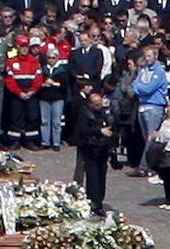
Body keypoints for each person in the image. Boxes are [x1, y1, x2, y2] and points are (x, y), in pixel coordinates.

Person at [75, 87, 113, 215]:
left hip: (102, 149)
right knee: (93, 178)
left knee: (101, 177)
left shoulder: (104, 113)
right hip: (89, 149)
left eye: (100, 104)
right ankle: (94, 203)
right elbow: (83, 130)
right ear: (90, 104)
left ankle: (99, 201)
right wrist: (99, 131)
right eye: (96, 105)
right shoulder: (84, 114)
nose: (99, 107)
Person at [131, 44, 168, 176]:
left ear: (155, 56)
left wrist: (140, 87)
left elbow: (149, 88)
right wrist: (140, 87)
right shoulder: (143, 70)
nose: (146, 58)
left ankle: (145, 166)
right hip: (142, 106)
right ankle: (149, 165)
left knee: (151, 138)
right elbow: (135, 84)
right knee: (145, 138)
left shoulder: (159, 71)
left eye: (149, 56)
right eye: (145, 56)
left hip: (154, 107)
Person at [4, 34, 41, 149]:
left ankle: (30, 141)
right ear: (17, 47)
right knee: (16, 116)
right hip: (17, 94)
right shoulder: (11, 61)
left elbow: (38, 77)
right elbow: (9, 80)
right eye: (22, 46)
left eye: (26, 46)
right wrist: (19, 92)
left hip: (31, 93)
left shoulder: (34, 61)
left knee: (32, 117)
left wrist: (32, 91)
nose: (24, 49)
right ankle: (15, 140)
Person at [37, 43, 66, 151]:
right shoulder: (43, 69)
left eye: (53, 58)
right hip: (44, 97)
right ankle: (45, 142)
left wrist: (53, 83)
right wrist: (44, 84)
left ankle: (56, 142)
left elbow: (64, 85)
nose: (51, 60)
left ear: (57, 58)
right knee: (44, 121)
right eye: (49, 58)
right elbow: (38, 83)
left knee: (56, 122)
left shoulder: (62, 70)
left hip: (57, 98)